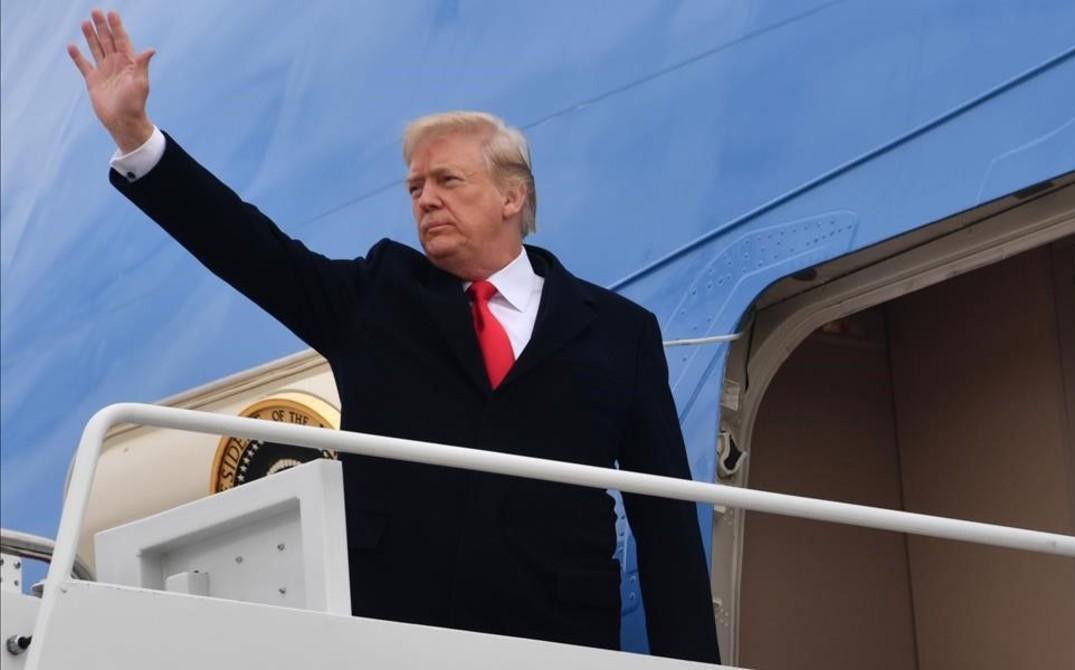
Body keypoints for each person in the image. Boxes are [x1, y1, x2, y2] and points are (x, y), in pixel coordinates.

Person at [68, 10, 720, 663]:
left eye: (448, 180)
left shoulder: (619, 333)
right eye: (415, 186)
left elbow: (665, 523)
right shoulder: (375, 299)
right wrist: (136, 135)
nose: (425, 199)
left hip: (557, 638)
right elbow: (248, 247)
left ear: (512, 197)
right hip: (396, 634)